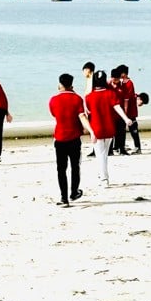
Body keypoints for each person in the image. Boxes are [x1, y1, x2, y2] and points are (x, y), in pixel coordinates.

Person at [84, 70, 133, 186]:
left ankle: (104, 178)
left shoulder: (89, 97)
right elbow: (117, 107)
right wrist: (126, 119)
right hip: (110, 128)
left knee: (100, 154)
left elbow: (88, 113)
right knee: (104, 154)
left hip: (97, 129)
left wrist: (89, 131)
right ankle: (103, 175)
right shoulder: (111, 94)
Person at [49, 73, 86, 206]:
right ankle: (74, 192)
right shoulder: (78, 99)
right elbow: (81, 115)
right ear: (71, 85)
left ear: (60, 84)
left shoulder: (53, 99)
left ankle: (64, 198)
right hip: (74, 137)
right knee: (75, 166)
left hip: (60, 138)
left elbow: (54, 114)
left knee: (61, 169)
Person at [118, 64, 142, 154]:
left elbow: (127, 99)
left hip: (130, 111)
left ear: (124, 74)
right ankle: (122, 146)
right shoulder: (122, 83)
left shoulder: (129, 83)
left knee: (133, 129)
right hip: (125, 110)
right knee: (122, 130)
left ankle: (137, 147)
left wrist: (125, 111)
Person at [108, 67, 129, 155]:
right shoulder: (108, 86)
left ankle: (122, 149)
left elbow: (126, 100)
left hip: (120, 113)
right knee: (110, 132)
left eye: (117, 79)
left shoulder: (123, 86)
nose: (115, 80)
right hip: (110, 113)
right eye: (114, 78)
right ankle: (109, 150)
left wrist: (125, 113)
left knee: (121, 132)